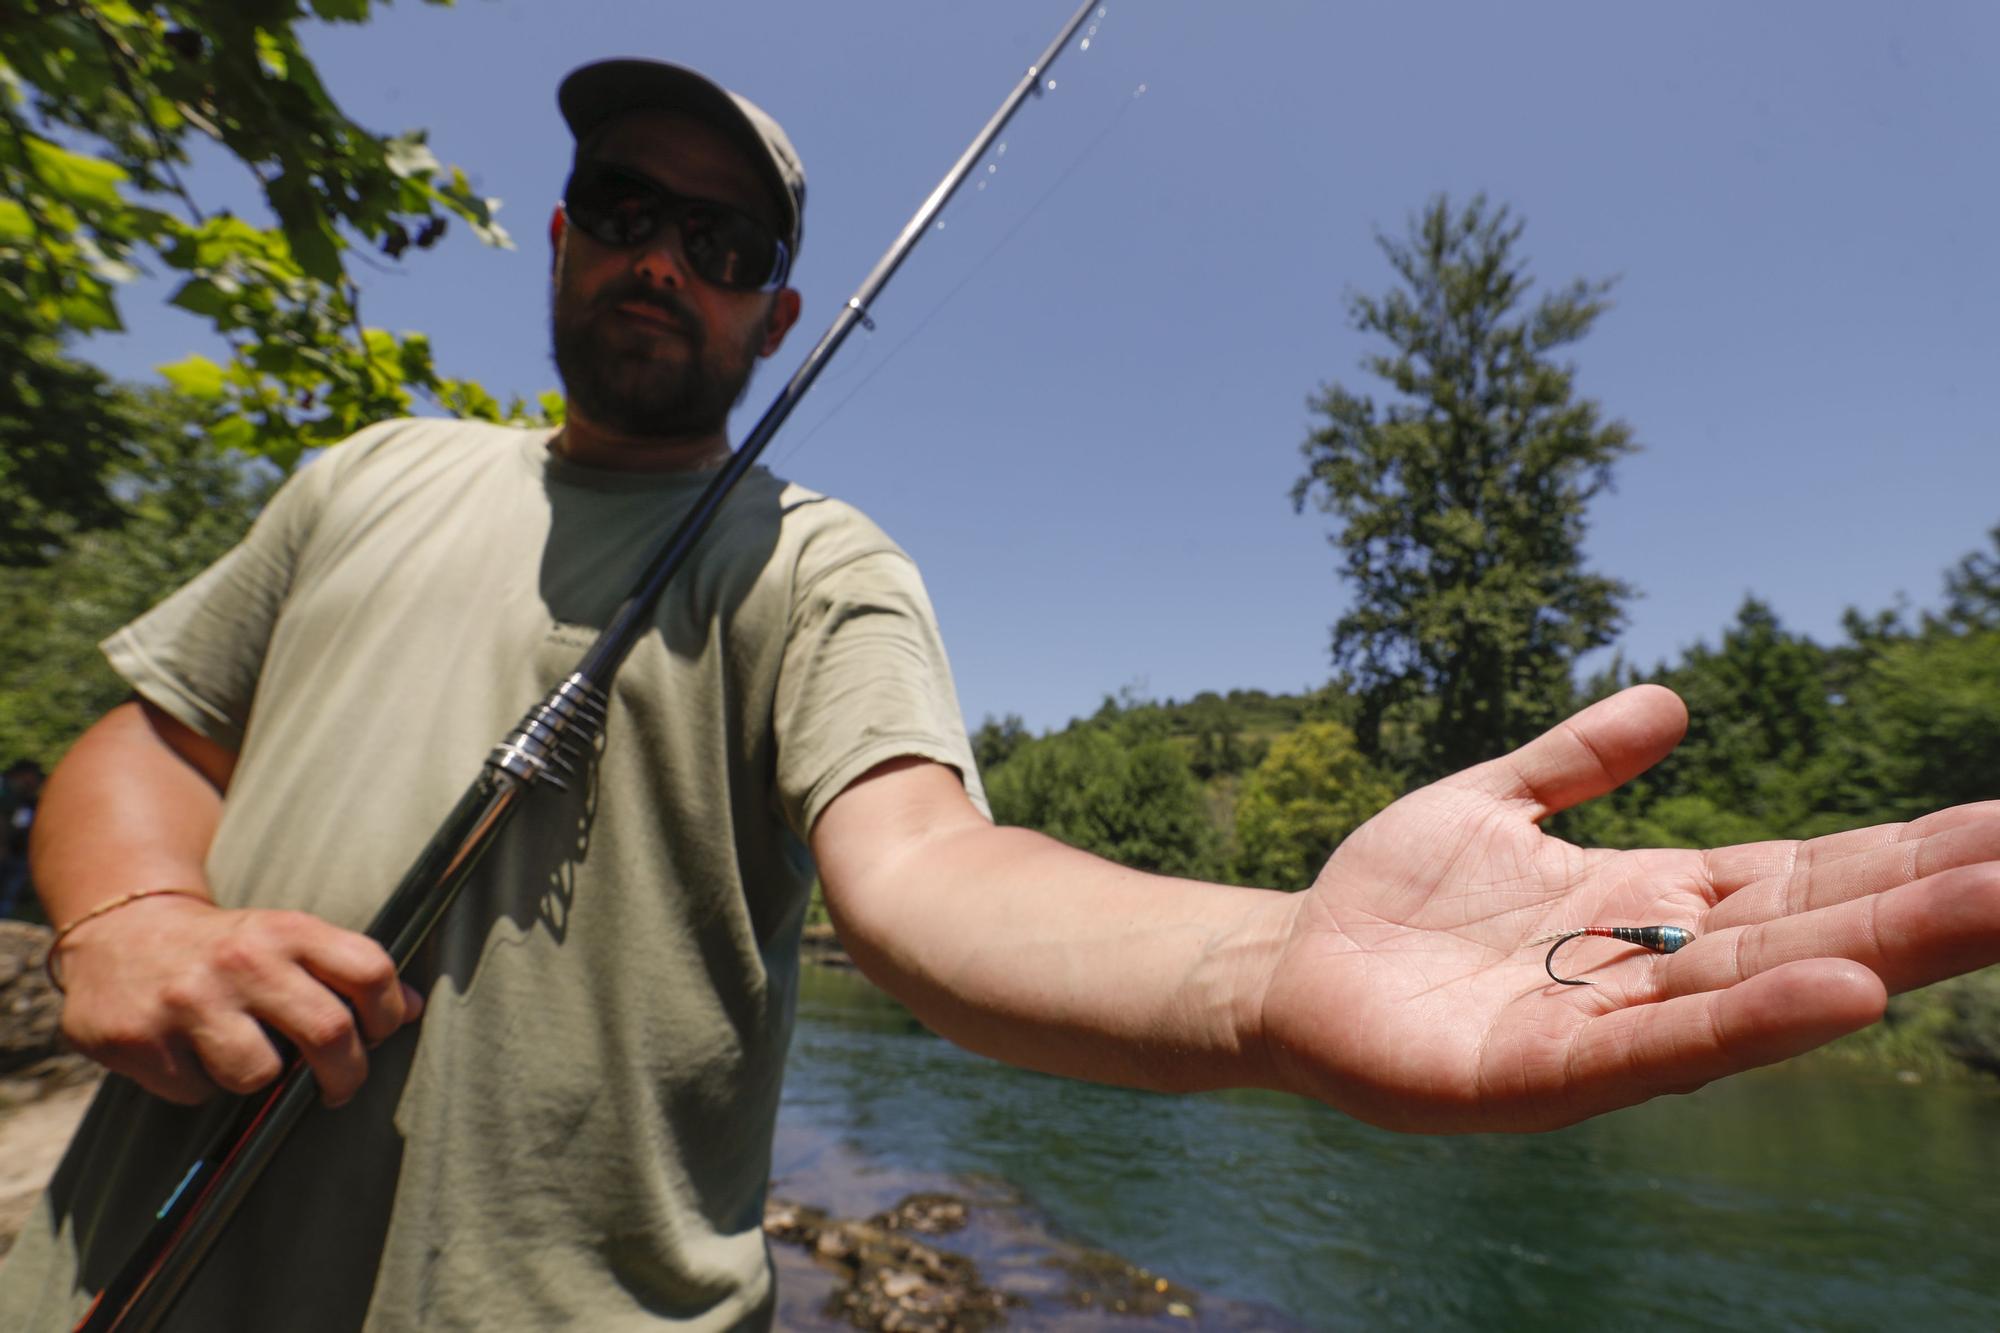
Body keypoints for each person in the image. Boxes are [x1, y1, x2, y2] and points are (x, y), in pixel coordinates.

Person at [3, 58, 1997, 1333]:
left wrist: (1271, 963)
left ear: (778, 308)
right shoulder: (366, 474)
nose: (662, 260)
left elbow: (932, 878)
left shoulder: (819, 564)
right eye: (628, 204)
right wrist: (134, 911)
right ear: (561, 226)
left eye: (723, 240)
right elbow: (149, 744)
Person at [0, 758, 44, 920]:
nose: (35, 782)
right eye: (34, 777)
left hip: (16, 855)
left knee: (7, 898)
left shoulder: (27, 798)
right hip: (6, 851)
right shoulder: (4, 789)